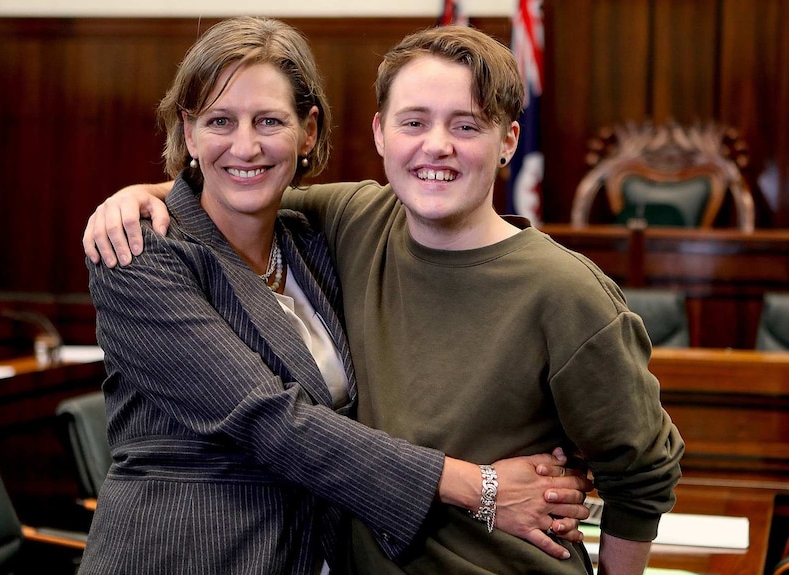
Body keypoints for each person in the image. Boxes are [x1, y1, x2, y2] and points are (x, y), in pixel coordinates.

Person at [85, 23, 684, 575]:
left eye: (467, 124)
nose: (437, 146)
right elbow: (269, 418)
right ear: (380, 132)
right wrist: (142, 192)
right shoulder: (151, 248)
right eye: (414, 121)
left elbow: (642, 471)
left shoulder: (321, 231)